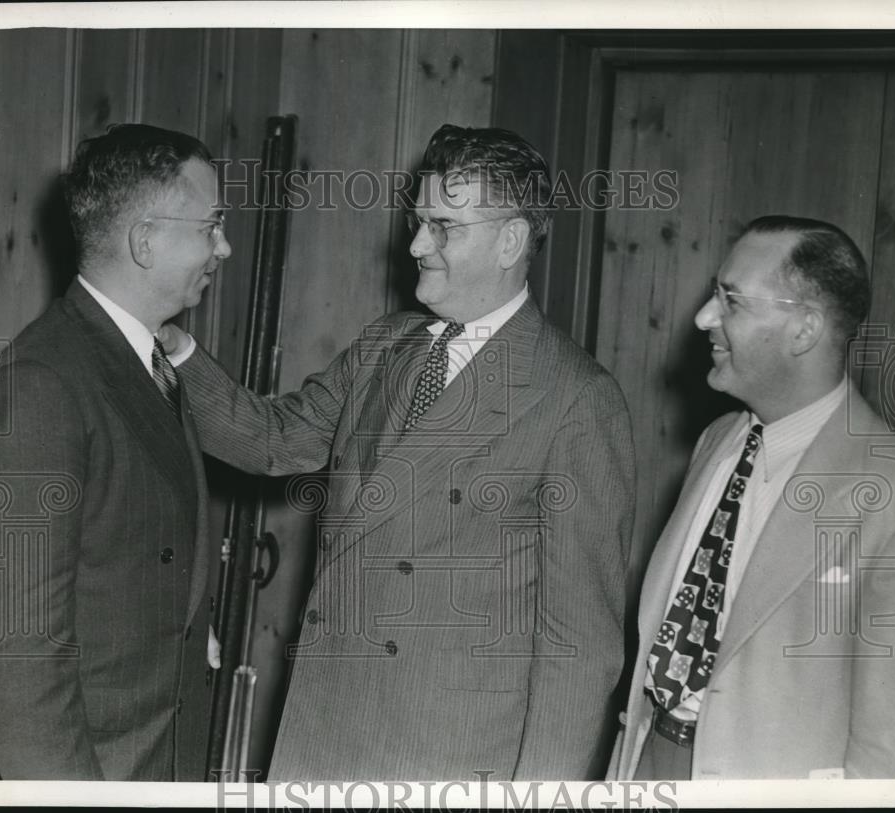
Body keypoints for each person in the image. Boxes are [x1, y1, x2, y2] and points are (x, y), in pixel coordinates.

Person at [163, 124, 636, 779]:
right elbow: (274, 439)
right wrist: (171, 343)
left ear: (511, 240)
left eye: (444, 227)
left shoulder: (576, 397)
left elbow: (580, 648)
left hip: (448, 755)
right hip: (326, 728)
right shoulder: (386, 344)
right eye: (419, 221)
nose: (417, 245)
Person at [609, 215, 895, 780]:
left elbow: (888, 754)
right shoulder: (718, 441)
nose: (703, 318)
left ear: (804, 330)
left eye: (731, 300)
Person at [0, 124, 231, 780]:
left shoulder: (147, 361)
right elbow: (14, 660)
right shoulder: (42, 385)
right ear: (145, 240)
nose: (222, 247)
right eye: (210, 226)